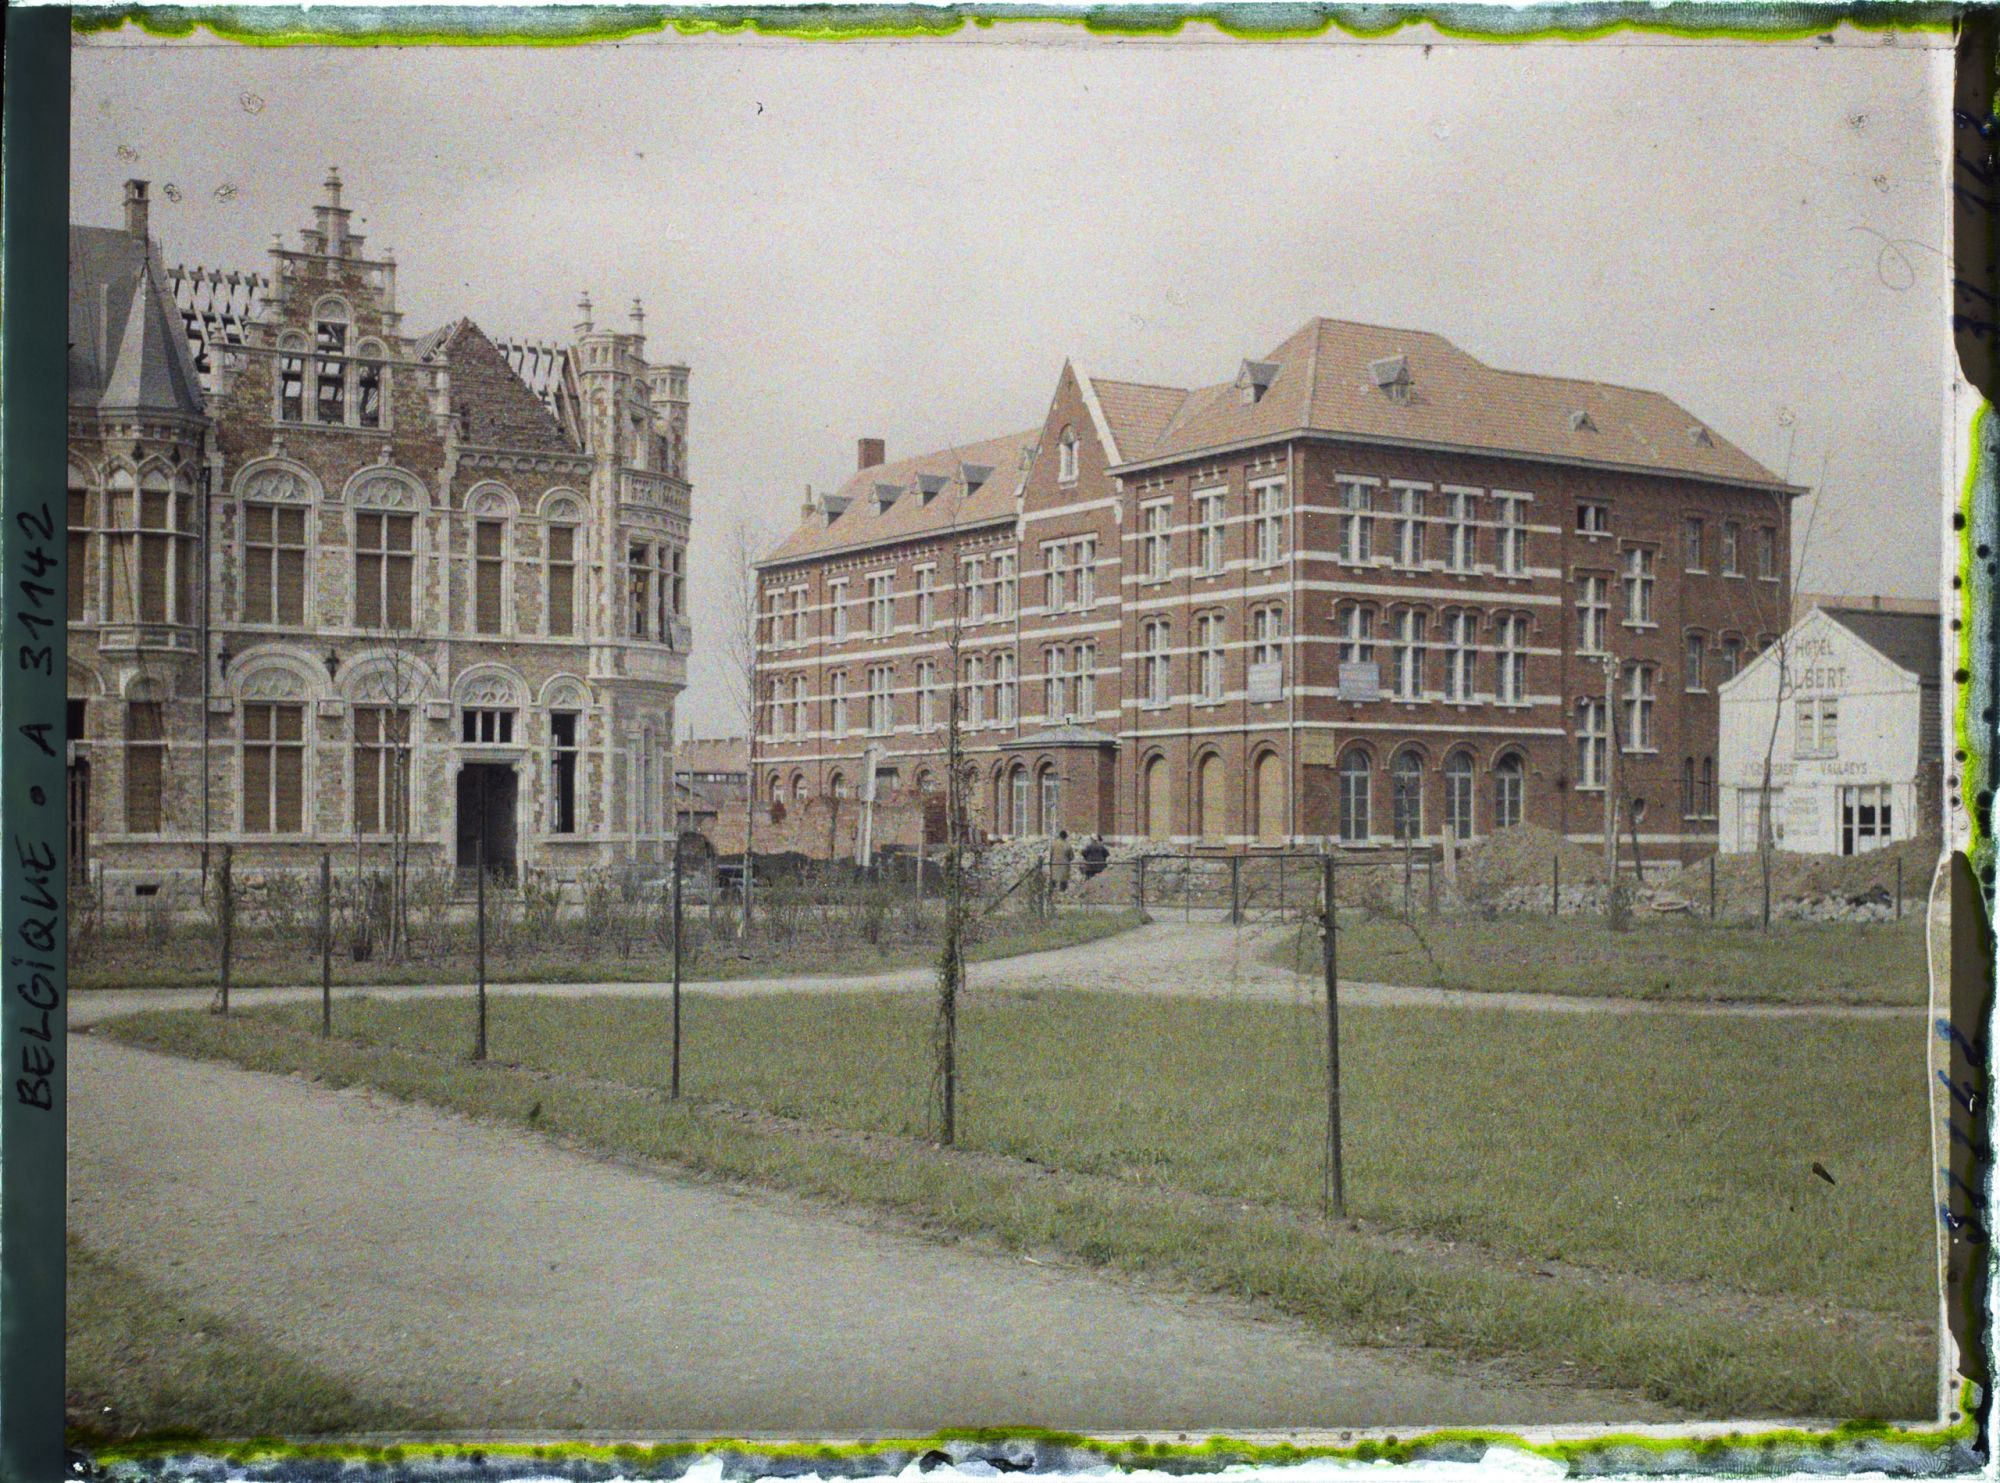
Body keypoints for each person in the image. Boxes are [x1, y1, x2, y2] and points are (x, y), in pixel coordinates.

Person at [1048, 829, 1073, 894]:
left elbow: (1050, 854)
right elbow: (1071, 857)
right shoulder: (1068, 845)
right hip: (1064, 866)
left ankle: (1050, 894)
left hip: (1054, 865)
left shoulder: (1054, 844)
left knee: (1053, 879)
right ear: (1066, 837)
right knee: (1063, 881)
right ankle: (1062, 893)